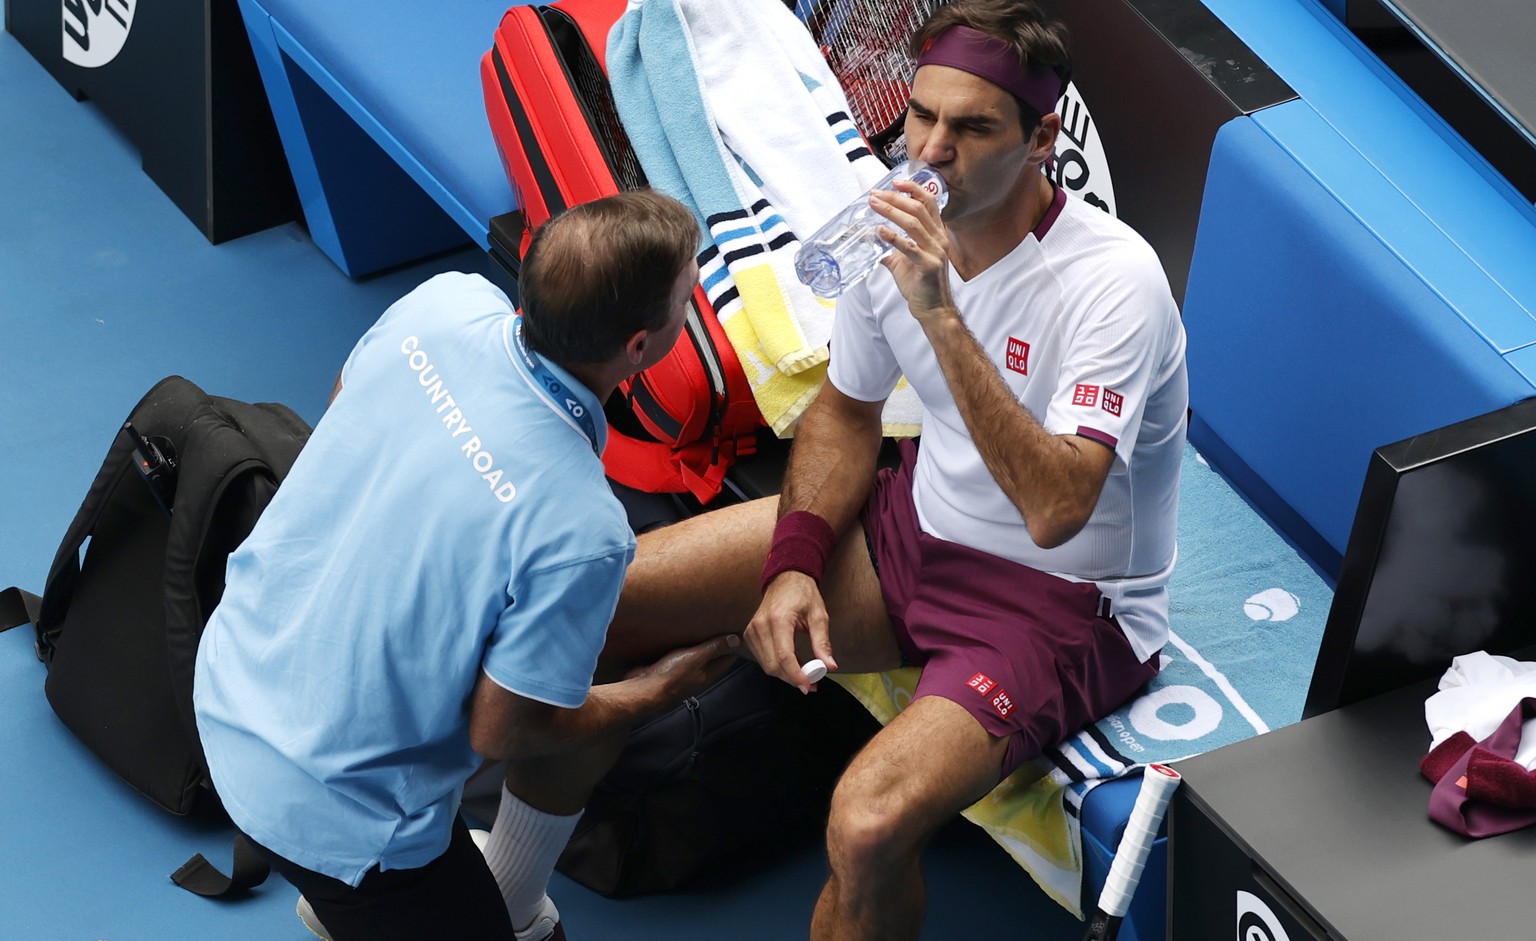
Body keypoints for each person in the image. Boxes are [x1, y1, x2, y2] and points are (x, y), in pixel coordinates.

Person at [598, 2, 1189, 938]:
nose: (933, 148)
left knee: (866, 821)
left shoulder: (1115, 283)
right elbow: (845, 408)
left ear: (1040, 140)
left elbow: (1056, 509)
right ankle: (508, 887)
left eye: (973, 127)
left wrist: (938, 309)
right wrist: (795, 560)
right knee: (599, 598)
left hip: (1058, 606)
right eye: (922, 115)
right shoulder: (887, 227)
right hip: (909, 534)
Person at [192, 189, 741, 941]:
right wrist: (654, 691)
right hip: (343, 820)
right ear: (642, 345)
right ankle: (342, 897)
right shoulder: (583, 525)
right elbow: (504, 729)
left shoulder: (439, 305)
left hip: (223, 685)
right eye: (689, 293)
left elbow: (344, 408)